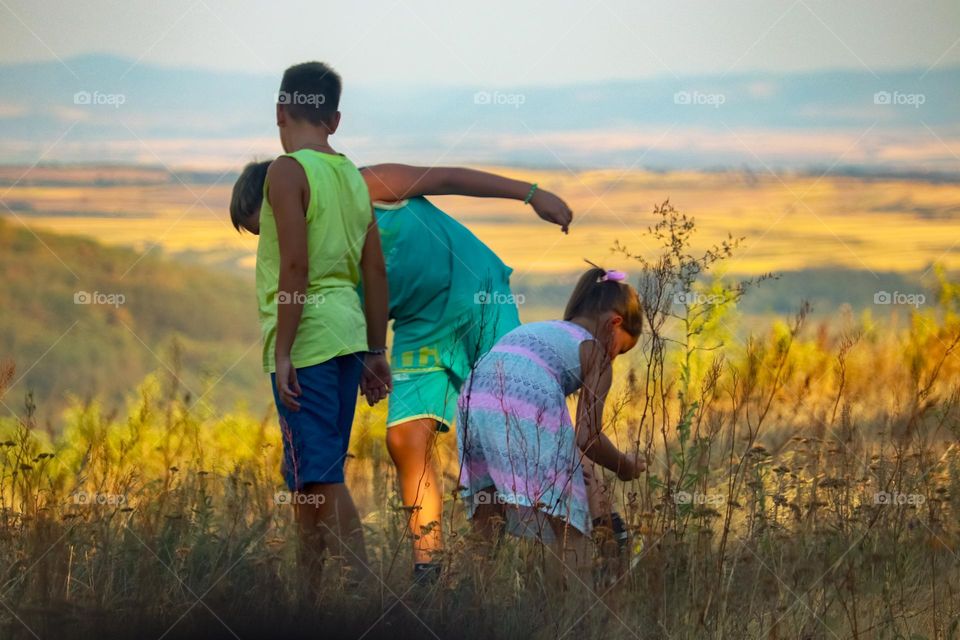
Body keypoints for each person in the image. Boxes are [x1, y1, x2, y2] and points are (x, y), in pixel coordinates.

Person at [231, 159, 573, 581]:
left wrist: (532, 193)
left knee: (513, 421)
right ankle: (428, 570)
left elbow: (446, 178)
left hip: (476, 290)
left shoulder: (360, 185)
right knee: (404, 439)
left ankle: (584, 530)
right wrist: (364, 357)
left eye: (273, 226)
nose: (280, 241)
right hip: (420, 325)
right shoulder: (312, 267)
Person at [256, 61, 390, 589]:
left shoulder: (286, 172)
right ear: (334, 120)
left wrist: (283, 351)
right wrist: (376, 349)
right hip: (349, 334)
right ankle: (306, 598)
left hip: (307, 341)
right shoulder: (354, 179)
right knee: (308, 477)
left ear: (280, 112)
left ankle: (368, 593)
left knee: (322, 477)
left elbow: (294, 267)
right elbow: (374, 269)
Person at [456, 265, 646, 578]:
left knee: (487, 515)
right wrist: (624, 466)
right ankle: (573, 611)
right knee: (571, 522)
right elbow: (589, 437)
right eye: (620, 350)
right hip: (526, 396)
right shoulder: (595, 352)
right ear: (614, 323)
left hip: (474, 395)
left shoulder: (544, 330)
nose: (613, 358)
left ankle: (465, 598)